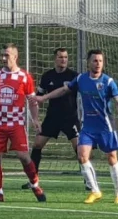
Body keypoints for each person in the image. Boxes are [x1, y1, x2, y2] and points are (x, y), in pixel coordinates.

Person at [34, 49, 118, 204]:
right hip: (88, 127)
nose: (98, 64)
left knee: (112, 159)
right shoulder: (81, 79)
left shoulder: (108, 82)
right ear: (88, 62)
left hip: (106, 127)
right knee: (82, 156)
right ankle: (95, 190)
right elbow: (64, 90)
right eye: (95, 60)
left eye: (100, 61)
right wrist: (44, 97)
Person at [0, 44, 46, 203]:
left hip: (17, 123)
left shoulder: (24, 77)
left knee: (24, 157)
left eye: (7, 55)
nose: (3, 58)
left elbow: (32, 101)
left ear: (15, 57)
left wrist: (35, 119)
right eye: (2, 55)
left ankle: (35, 184)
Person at [25, 48, 86, 191]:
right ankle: (33, 181)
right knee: (37, 145)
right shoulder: (47, 76)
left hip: (70, 117)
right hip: (52, 117)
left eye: (65, 57)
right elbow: (37, 99)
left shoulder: (73, 76)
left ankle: (88, 180)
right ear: (55, 59)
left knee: (80, 150)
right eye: (60, 57)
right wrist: (35, 118)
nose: (63, 60)